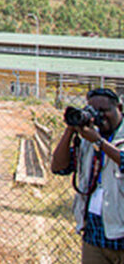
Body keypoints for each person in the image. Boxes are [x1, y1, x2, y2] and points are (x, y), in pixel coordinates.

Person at [51, 88, 124, 262]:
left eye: (104, 110)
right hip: (95, 232)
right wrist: (70, 130)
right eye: (94, 111)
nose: (100, 116)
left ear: (119, 108)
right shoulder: (88, 138)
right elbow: (58, 167)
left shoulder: (97, 138)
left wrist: (99, 142)